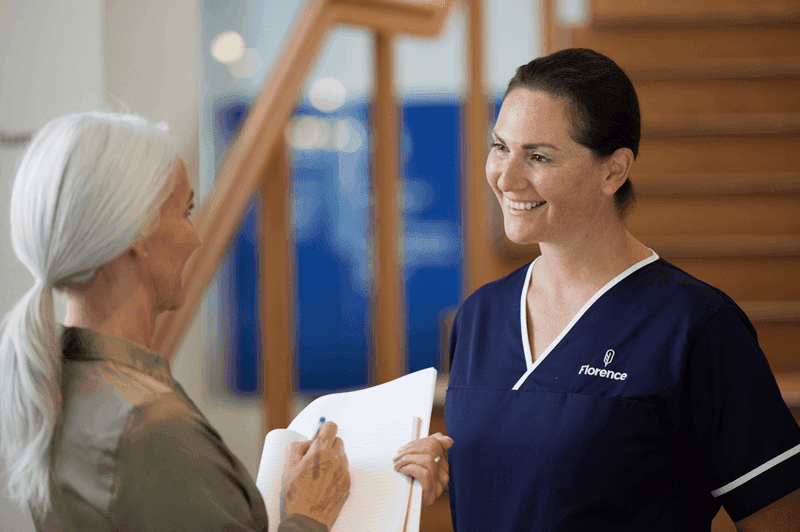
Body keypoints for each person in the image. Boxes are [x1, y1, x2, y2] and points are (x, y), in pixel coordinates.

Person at [437, 48, 800, 530]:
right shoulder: (480, 315)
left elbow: (776, 513)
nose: (505, 177)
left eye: (538, 156)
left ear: (613, 170)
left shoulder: (694, 326)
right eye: (500, 146)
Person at [0, 111, 350, 531]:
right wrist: (308, 515)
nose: (196, 237)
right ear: (138, 234)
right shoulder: (148, 427)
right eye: (185, 211)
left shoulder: (55, 383)